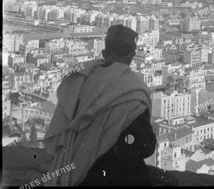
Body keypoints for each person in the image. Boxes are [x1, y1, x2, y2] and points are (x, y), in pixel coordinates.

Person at [44, 25, 156, 186]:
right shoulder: (133, 90)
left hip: (77, 174)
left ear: (104, 51)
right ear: (132, 55)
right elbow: (147, 146)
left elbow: (60, 128)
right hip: (122, 177)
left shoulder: (78, 78)